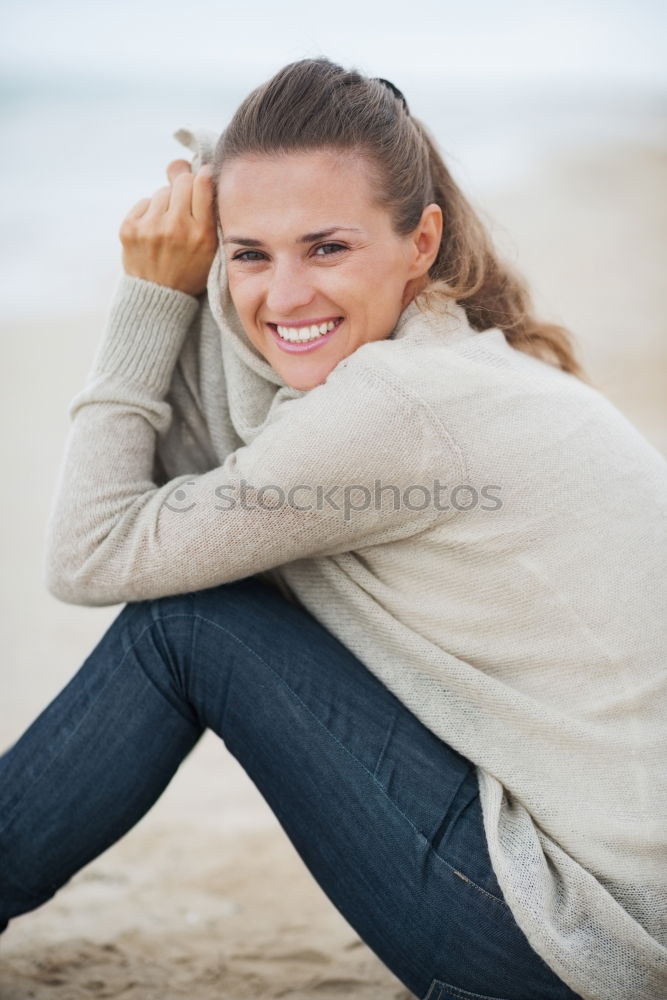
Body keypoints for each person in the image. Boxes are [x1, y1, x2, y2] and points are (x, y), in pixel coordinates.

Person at [0, 56, 665, 1000]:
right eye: (247, 254)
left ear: (420, 240)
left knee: (187, 627)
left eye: (326, 248)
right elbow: (228, 470)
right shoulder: (465, 360)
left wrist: (151, 297)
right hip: (620, 910)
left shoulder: (390, 407)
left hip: (573, 943)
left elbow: (89, 551)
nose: (282, 298)